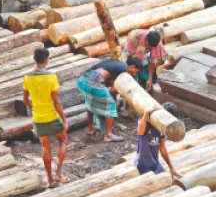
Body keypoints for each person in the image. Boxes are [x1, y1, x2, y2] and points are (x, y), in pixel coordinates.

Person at [23, 48, 68, 188]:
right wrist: (64, 119)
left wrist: (34, 108)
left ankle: (50, 180)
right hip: (52, 116)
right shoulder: (51, 77)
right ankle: (59, 174)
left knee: (45, 146)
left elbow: (25, 99)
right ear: (46, 60)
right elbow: (57, 101)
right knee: (62, 140)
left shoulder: (27, 77)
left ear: (34, 59)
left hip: (38, 117)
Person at [77, 58, 139, 142]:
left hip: (82, 80)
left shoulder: (116, 64)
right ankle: (108, 135)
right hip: (92, 82)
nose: (135, 74)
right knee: (111, 105)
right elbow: (113, 90)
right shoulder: (124, 70)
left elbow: (106, 82)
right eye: (136, 71)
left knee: (90, 103)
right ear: (132, 67)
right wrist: (119, 96)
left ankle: (90, 128)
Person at [136, 102, 181, 179]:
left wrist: (171, 168)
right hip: (143, 162)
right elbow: (140, 131)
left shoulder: (162, 128)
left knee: (169, 180)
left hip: (155, 162)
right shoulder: (146, 122)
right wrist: (146, 114)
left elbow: (162, 147)